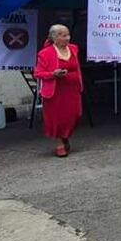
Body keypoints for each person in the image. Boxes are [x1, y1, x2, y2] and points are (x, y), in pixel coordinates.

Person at [34, 25, 83, 157]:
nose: (67, 38)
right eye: (63, 35)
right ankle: (59, 143)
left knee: (75, 115)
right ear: (55, 38)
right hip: (56, 91)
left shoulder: (74, 49)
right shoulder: (45, 53)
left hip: (72, 89)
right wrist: (53, 74)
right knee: (57, 118)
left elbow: (76, 68)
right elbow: (38, 73)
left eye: (68, 35)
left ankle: (65, 136)